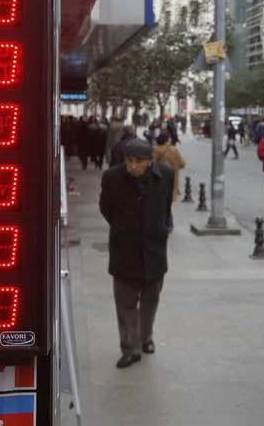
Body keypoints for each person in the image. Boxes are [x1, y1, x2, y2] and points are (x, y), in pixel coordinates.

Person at [99, 138, 175, 369]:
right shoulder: (112, 177)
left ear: (149, 162)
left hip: (154, 250)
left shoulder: (165, 176)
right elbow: (106, 208)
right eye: (129, 161)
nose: (133, 166)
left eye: (138, 162)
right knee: (125, 304)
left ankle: (145, 337)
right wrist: (124, 226)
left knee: (150, 301)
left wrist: (159, 229)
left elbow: (166, 206)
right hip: (125, 249)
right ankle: (129, 348)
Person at [153, 132, 187, 205]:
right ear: (167, 140)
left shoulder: (155, 149)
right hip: (172, 182)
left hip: (159, 179)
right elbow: (182, 164)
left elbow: (152, 164)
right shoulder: (174, 150)